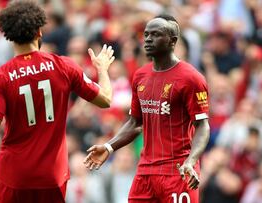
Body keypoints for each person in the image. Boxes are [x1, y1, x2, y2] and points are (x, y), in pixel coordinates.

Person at [0, 1, 115, 203]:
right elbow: (105, 99)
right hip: (52, 176)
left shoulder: (0, 77)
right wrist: (102, 69)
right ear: (40, 31)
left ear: (8, 36)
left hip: (14, 176)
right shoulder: (64, 66)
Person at [84, 14, 210, 203]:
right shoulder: (140, 76)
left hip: (177, 172)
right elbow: (135, 123)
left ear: (173, 41)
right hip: (145, 172)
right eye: (146, 34)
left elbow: (203, 125)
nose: (148, 39)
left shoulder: (191, 78)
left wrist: (191, 161)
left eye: (156, 34)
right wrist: (110, 147)